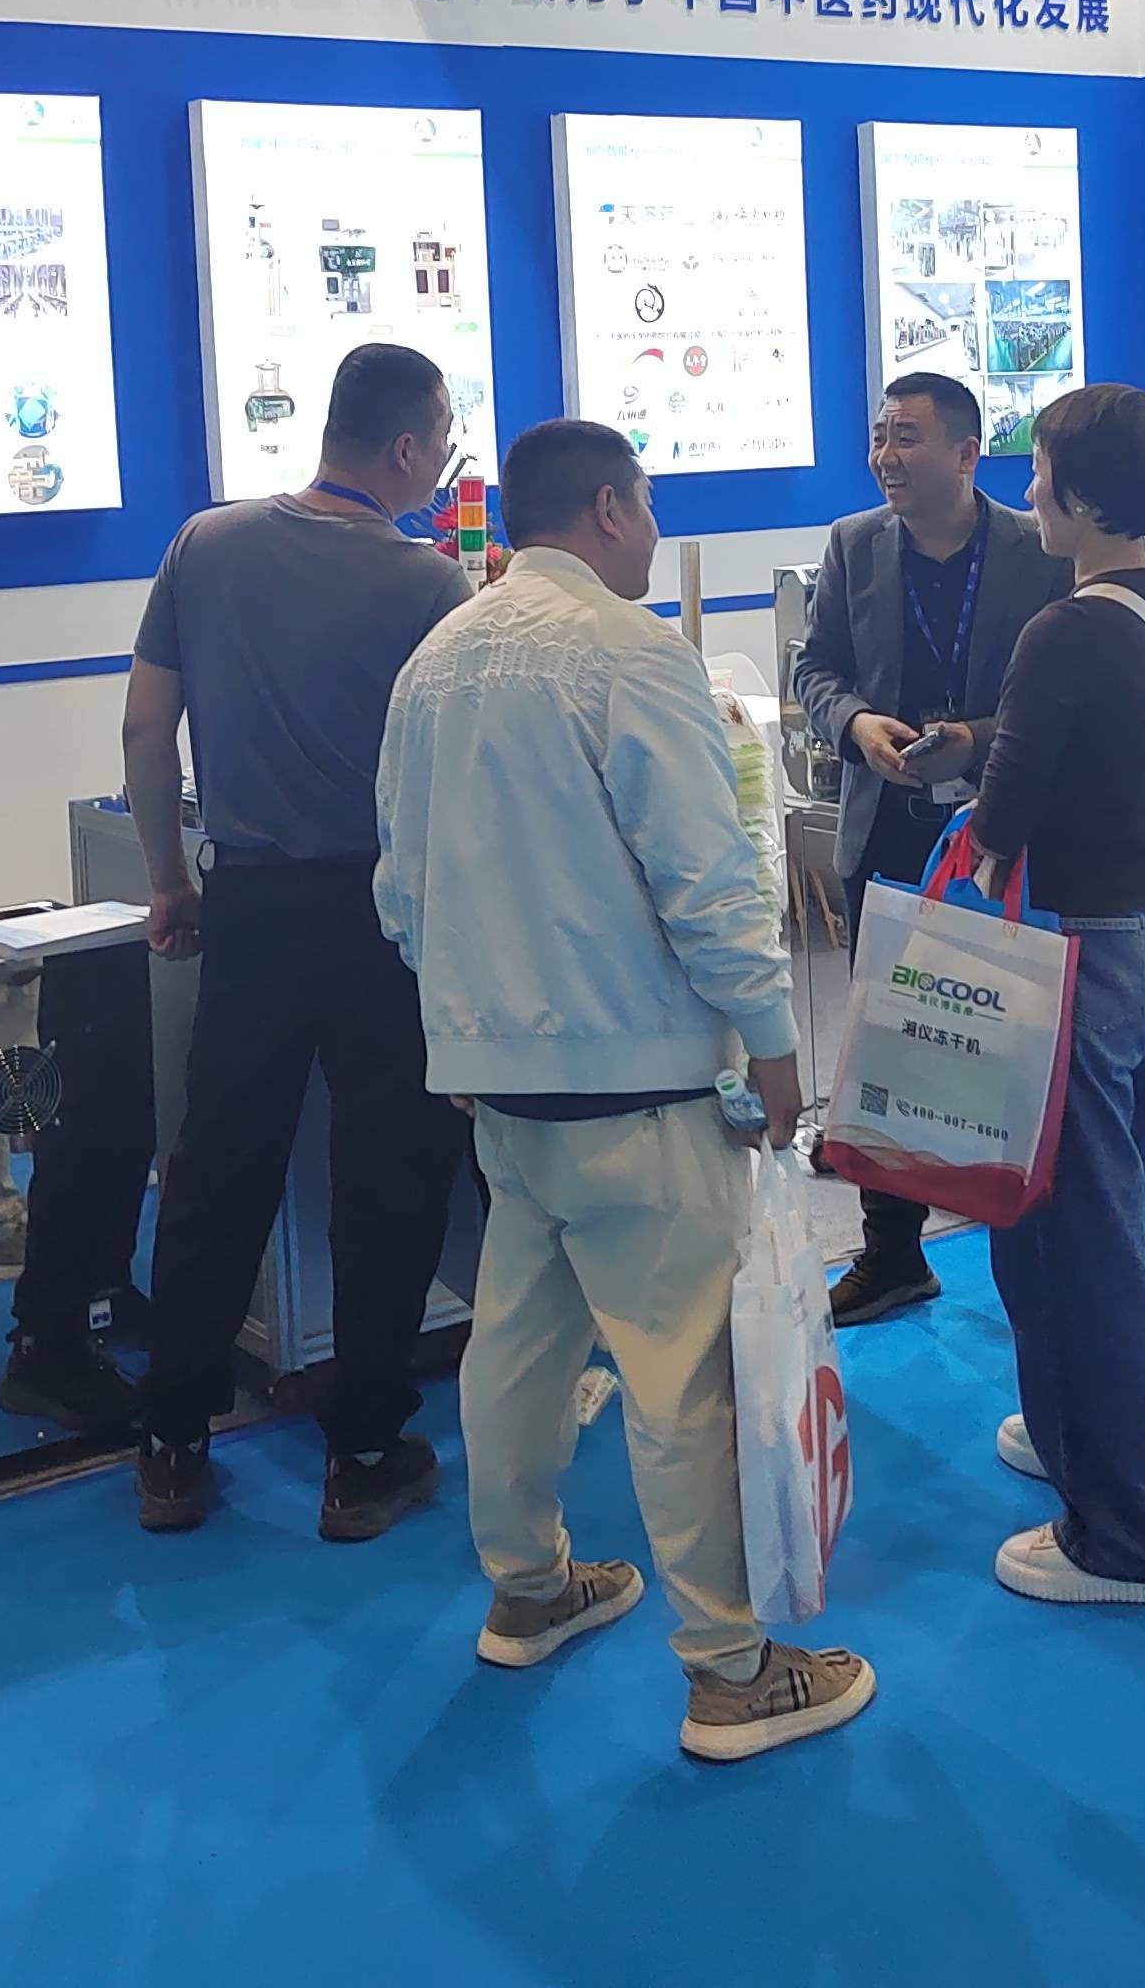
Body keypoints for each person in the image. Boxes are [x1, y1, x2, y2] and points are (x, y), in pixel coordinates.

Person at [375, 418, 871, 1764]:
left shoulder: (434, 660)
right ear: (606, 509)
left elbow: (398, 886)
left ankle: (528, 1588)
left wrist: (465, 1024)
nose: (652, 532)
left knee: (518, 1348)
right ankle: (731, 1671)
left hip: (498, 1085)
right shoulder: (632, 654)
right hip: (638, 1082)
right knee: (680, 1378)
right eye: (646, 507)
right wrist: (773, 1040)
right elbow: (706, 880)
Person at [124, 343, 478, 1534]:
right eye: (440, 446)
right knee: (389, 1180)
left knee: (218, 1167)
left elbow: (143, 728)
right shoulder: (431, 584)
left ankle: (172, 1443)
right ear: (406, 449)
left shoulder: (204, 544)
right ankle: (364, 1451)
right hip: (383, 917)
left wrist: (167, 881)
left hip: (252, 905)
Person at [965, 383, 1145, 1609]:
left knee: (1081, 1253)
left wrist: (975, 796)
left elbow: (1007, 813)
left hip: (1074, 960)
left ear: (1076, 491)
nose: (1026, 495)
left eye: (1037, 472)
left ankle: (1129, 1536)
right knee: (1111, 1233)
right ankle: (1079, 1435)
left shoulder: (1062, 630)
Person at [786, 370, 1066, 1329]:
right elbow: (816, 667)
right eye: (879, 437)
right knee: (887, 1046)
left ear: (965, 452)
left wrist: (976, 743)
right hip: (890, 831)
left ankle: (1026, 1231)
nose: (885, 457)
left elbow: (1057, 696)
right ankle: (893, 1252)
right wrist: (855, 723)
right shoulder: (854, 544)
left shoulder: (1036, 550)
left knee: (1009, 1037)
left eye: (906, 437)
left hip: (1001, 832)